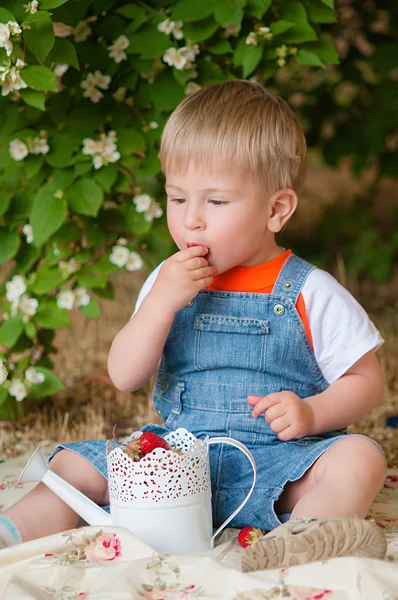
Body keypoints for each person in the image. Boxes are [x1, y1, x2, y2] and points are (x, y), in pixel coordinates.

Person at [0, 80, 387, 570]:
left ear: (276, 209)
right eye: (177, 199)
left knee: (358, 458)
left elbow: (367, 381)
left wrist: (312, 413)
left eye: (216, 202)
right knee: (72, 464)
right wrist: (159, 305)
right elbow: (124, 375)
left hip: (280, 468)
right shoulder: (167, 281)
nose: (191, 222)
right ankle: (11, 530)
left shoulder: (310, 290)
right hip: (176, 463)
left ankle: (308, 536)